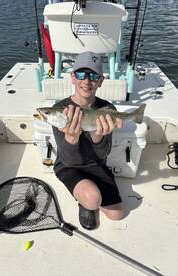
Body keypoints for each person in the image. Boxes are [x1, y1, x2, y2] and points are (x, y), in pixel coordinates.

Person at [53, 51, 124, 230]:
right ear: (72, 78)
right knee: (93, 199)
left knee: (117, 215)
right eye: (80, 74)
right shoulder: (60, 109)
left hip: (96, 163)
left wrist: (98, 136)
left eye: (93, 75)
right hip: (69, 166)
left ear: (100, 81)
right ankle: (86, 201)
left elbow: (103, 154)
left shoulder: (107, 109)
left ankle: (90, 193)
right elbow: (68, 159)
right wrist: (71, 137)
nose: (86, 81)